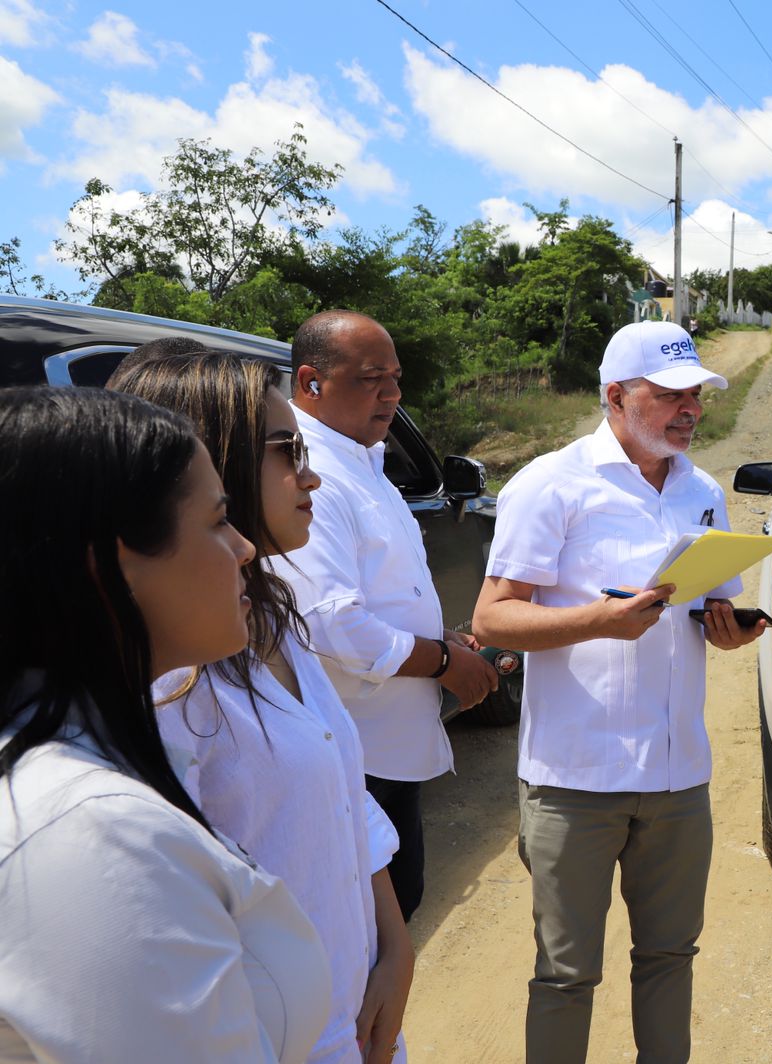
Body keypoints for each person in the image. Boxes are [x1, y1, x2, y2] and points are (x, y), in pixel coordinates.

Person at [0, 386, 331, 1061]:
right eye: (215, 521)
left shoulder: (81, 777)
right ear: (109, 567)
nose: (242, 548)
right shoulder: (97, 838)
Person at [472, 320, 764, 1064]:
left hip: (677, 775)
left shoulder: (701, 490)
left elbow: (706, 608)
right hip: (576, 778)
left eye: (695, 394)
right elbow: (494, 618)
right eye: (668, 395)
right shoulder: (551, 483)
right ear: (615, 395)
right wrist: (599, 620)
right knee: (567, 975)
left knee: (670, 957)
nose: (689, 409)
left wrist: (728, 629)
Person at [115, 352, 416, 1064]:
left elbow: (339, 793)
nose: (309, 475)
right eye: (286, 452)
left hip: (356, 1019)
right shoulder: (166, 684)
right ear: (206, 461)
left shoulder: (272, 619)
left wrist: (395, 947)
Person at [270, 310, 499, 922]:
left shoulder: (360, 461)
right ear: (312, 382)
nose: (393, 393)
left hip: (383, 752)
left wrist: (438, 639)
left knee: (395, 914)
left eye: (395, 378)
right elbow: (330, 624)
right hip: (354, 759)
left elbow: (373, 598)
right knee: (368, 936)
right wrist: (446, 661)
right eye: (373, 378)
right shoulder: (305, 469)